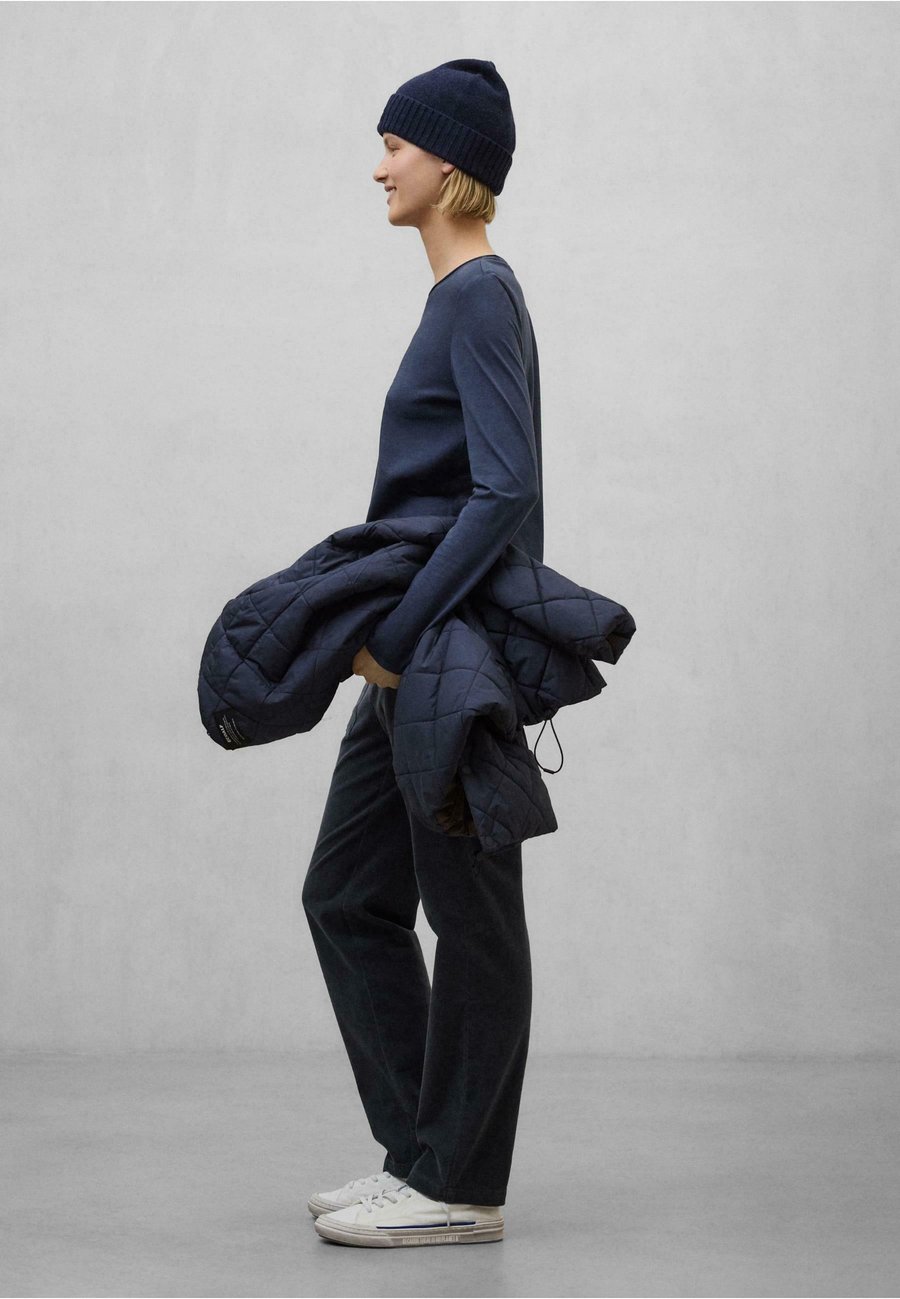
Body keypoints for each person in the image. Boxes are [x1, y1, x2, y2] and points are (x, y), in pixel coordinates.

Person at [302, 58, 544, 1248]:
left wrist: (398, 637)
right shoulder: (453, 299)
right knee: (349, 894)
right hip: (413, 651)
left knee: (473, 916)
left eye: (397, 144)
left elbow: (506, 490)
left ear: (452, 165)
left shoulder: (481, 295)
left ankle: (460, 1185)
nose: (379, 166)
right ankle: (422, 1157)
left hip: (443, 654)